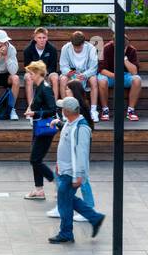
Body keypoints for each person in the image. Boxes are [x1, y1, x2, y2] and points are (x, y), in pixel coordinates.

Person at [48, 96, 106, 244]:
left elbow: (81, 153)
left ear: (67, 111)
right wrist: (59, 123)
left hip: (71, 172)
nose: (61, 110)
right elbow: (68, 135)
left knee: (64, 203)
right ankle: (95, 218)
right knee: (67, 199)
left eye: (62, 108)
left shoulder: (81, 129)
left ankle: (66, 233)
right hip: (64, 169)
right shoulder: (70, 122)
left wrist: (78, 176)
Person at [46, 79, 97, 223]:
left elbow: (80, 128)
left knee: (82, 178)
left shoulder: (79, 108)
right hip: (67, 151)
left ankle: (89, 209)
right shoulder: (69, 105)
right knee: (60, 175)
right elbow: (70, 125)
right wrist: (60, 123)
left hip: (76, 150)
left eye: (68, 89)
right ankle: (61, 205)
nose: (65, 91)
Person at [22, 60, 58, 200]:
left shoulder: (46, 88)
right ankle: (39, 190)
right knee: (36, 159)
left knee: (35, 160)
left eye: (31, 73)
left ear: (37, 73)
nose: (29, 76)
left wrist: (35, 114)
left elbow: (52, 109)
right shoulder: (40, 87)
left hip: (44, 128)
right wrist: (31, 108)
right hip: (38, 127)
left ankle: (57, 182)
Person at [60, 31, 100, 121]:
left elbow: (93, 68)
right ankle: (65, 109)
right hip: (71, 75)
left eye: (79, 47)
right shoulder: (65, 48)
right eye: (75, 47)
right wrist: (68, 72)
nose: (77, 49)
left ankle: (93, 110)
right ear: (71, 43)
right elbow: (63, 66)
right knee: (63, 79)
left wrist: (85, 75)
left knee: (93, 80)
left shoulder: (91, 48)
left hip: (86, 75)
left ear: (84, 43)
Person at [100, 38, 142, 122]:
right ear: (113, 43)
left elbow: (134, 72)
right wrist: (115, 76)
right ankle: (105, 109)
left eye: (124, 47)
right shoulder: (106, 48)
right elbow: (101, 69)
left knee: (137, 80)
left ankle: (130, 110)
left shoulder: (131, 50)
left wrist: (124, 58)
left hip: (125, 75)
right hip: (109, 74)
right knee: (101, 81)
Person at [22, 27, 59, 110]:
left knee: (55, 77)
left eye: (44, 37)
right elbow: (28, 68)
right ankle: (31, 108)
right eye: (39, 38)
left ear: (47, 38)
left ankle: (54, 108)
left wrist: (43, 75)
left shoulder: (52, 49)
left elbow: (53, 67)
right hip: (33, 75)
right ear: (35, 38)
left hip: (47, 74)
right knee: (28, 77)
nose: (42, 40)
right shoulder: (28, 50)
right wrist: (37, 75)